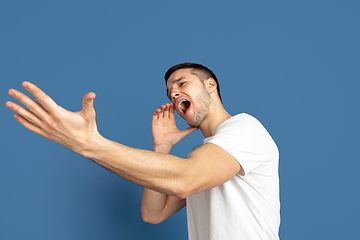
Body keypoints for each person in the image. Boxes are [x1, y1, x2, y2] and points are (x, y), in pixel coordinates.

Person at [5, 63, 280, 239]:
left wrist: (89, 143)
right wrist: (161, 147)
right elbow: (153, 213)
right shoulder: (206, 156)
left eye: (182, 84)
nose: (173, 94)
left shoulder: (245, 128)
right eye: (170, 91)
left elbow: (185, 179)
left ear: (210, 85)